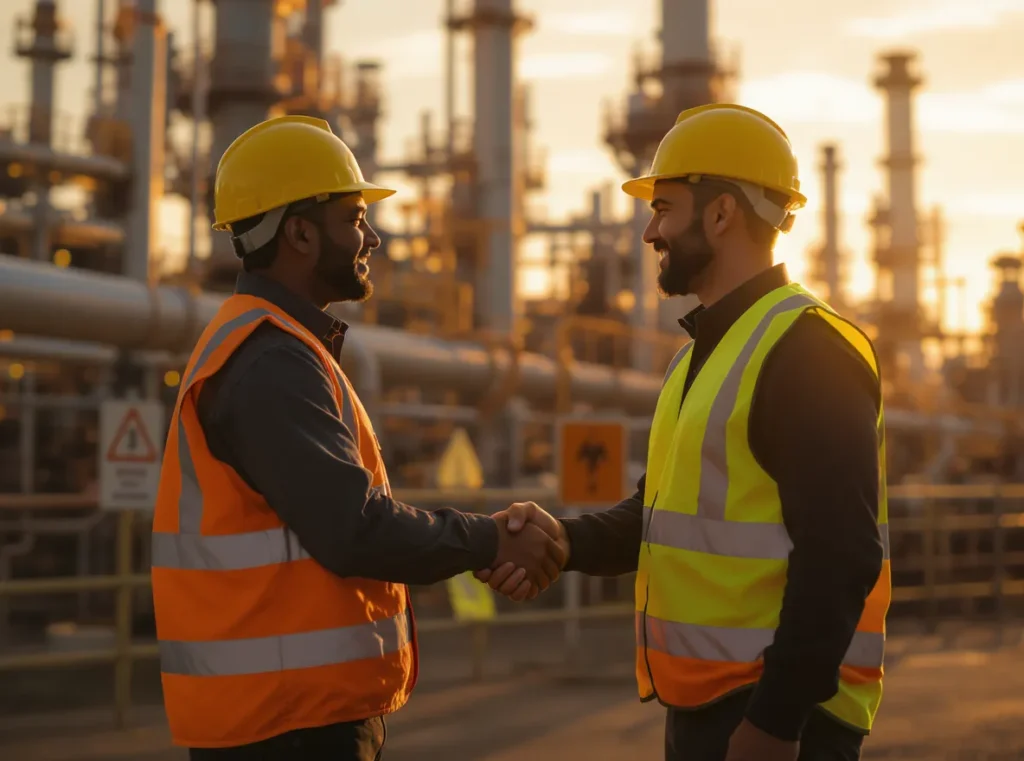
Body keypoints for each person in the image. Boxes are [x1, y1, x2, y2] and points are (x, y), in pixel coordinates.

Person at [478, 104, 891, 761]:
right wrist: (567, 539)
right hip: (707, 708)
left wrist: (776, 722)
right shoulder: (702, 353)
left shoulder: (808, 349)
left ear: (722, 213)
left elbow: (841, 556)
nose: (649, 232)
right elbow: (663, 514)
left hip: (782, 719)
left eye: (664, 208)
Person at [150, 115, 566, 761]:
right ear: (299, 232)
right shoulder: (270, 362)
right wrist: (488, 538)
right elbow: (354, 528)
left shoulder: (278, 349)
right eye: (353, 218)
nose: (370, 236)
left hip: (286, 714)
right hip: (285, 728)